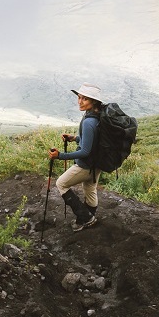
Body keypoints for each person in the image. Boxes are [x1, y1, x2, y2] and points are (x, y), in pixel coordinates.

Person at [48, 82, 104, 232]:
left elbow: (85, 151)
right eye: (79, 97)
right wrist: (74, 138)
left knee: (61, 183)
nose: (80, 101)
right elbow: (92, 141)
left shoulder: (88, 122)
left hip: (86, 165)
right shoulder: (98, 116)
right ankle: (88, 218)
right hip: (97, 163)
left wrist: (60, 156)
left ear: (93, 101)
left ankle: (86, 218)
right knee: (90, 188)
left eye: (84, 99)